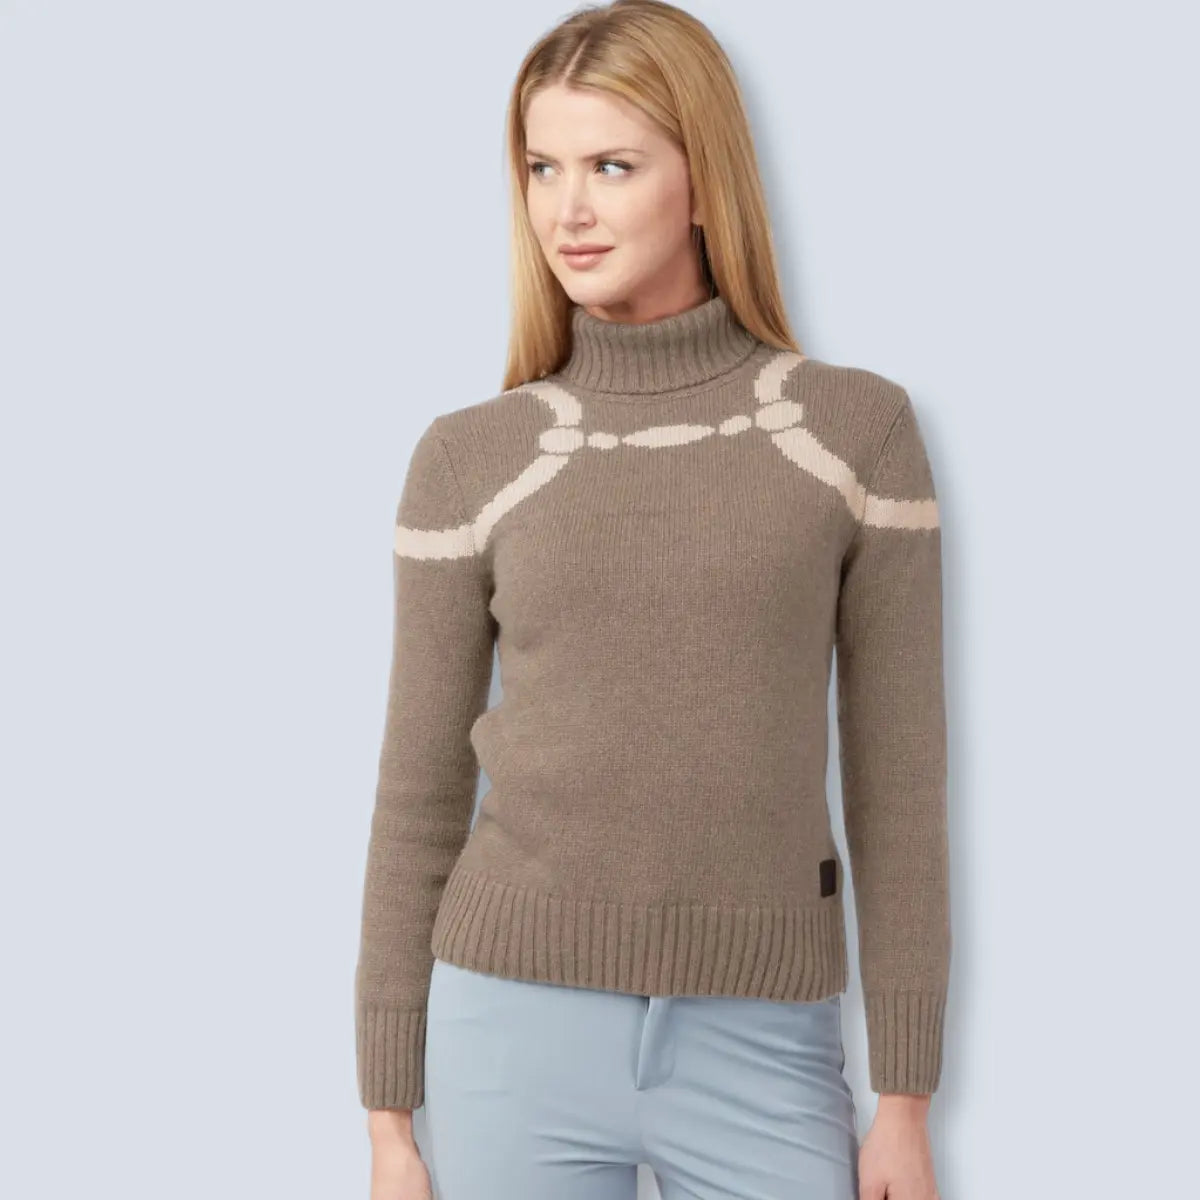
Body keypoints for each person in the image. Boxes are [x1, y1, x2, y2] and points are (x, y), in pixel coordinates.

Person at [354, 2, 951, 1198]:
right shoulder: (472, 455)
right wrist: (388, 1125)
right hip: (505, 1033)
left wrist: (904, 1101)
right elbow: (417, 790)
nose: (567, 210)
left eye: (611, 167)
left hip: (763, 1041)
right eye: (542, 168)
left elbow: (899, 783)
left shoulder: (855, 433)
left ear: (703, 180)